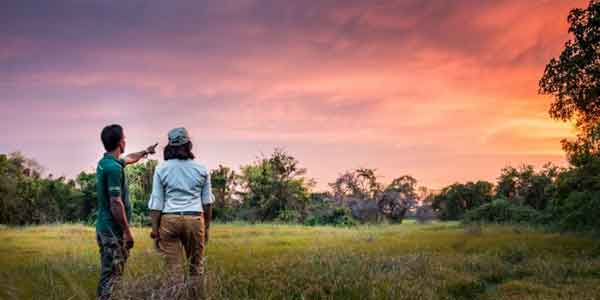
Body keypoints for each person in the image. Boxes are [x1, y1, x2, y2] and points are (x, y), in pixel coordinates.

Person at [148, 127, 213, 297]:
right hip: (194, 219)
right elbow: (207, 203)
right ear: (188, 144)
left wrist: (155, 230)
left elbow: (156, 203)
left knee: (173, 273)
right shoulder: (201, 168)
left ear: (169, 146)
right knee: (196, 269)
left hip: (169, 220)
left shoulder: (161, 168)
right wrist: (206, 228)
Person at [95, 124, 157, 300]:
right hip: (112, 232)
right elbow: (116, 202)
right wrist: (127, 232)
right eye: (124, 138)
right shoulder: (113, 169)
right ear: (120, 142)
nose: (125, 141)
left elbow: (129, 158)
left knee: (110, 273)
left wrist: (146, 151)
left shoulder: (106, 163)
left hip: (104, 228)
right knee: (112, 277)